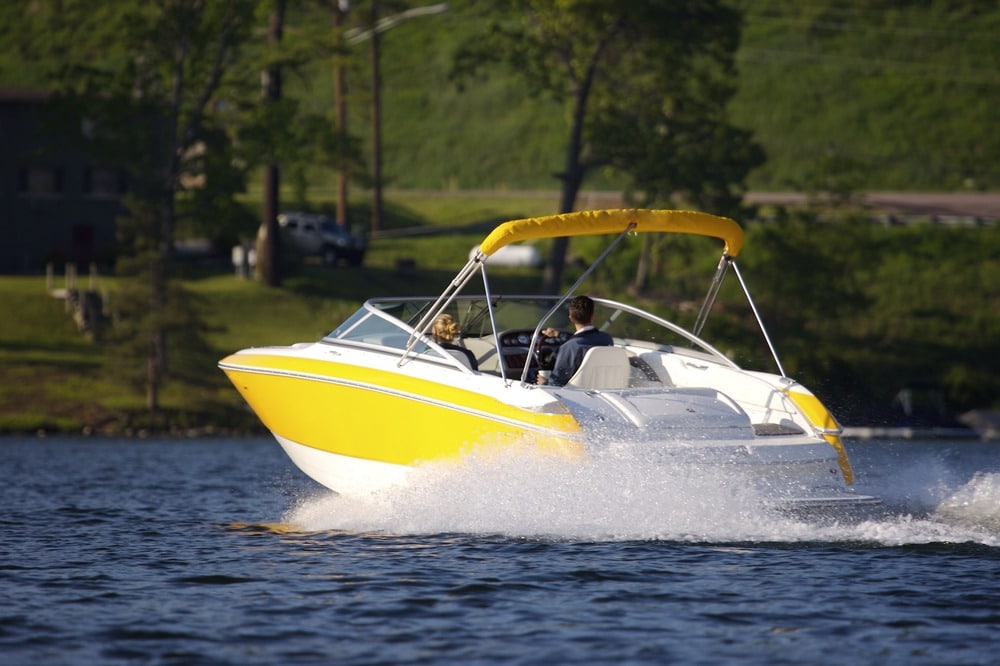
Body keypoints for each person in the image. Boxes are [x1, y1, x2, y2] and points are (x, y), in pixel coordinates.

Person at [538, 295, 613, 386]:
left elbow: (556, 385)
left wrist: (543, 382)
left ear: (571, 318)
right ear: (593, 316)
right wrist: (558, 334)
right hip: (604, 391)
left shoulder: (569, 348)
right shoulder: (607, 339)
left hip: (576, 395)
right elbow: (583, 341)